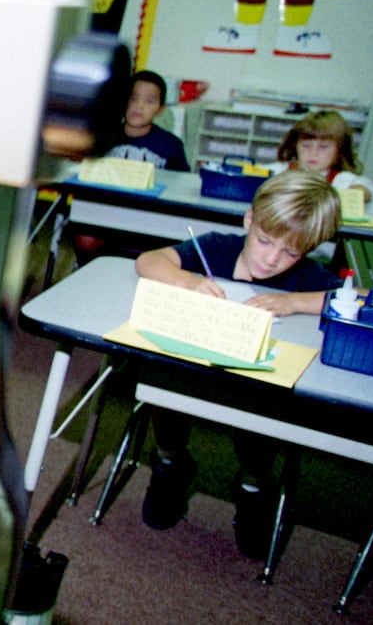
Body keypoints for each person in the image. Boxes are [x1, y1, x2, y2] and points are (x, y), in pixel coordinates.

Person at [133, 168, 341, 558]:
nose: (272, 259)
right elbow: (148, 261)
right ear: (249, 220)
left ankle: (255, 485)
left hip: (255, 390)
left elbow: (357, 301)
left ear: (308, 250)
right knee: (164, 386)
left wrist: (294, 302)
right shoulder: (218, 248)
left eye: (291, 252)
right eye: (264, 240)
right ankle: (171, 463)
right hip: (191, 372)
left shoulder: (305, 277)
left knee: (260, 416)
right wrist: (188, 282)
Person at [72, 70, 190, 261]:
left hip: (150, 218)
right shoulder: (102, 137)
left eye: (149, 101)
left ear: (160, 109)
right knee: (86, 240)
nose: (139, 106)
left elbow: (182, 186)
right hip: (105, 214)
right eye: (133, 98)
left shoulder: (171, 145)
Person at [268, 109, 373, 201]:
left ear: (340, 151)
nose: (313, 153)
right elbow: (254, 172)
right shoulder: (279, 171)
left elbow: (365, 188)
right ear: (295, 146)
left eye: (323, 147)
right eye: (306, 145)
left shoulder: (341, 180)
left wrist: (350, 195)